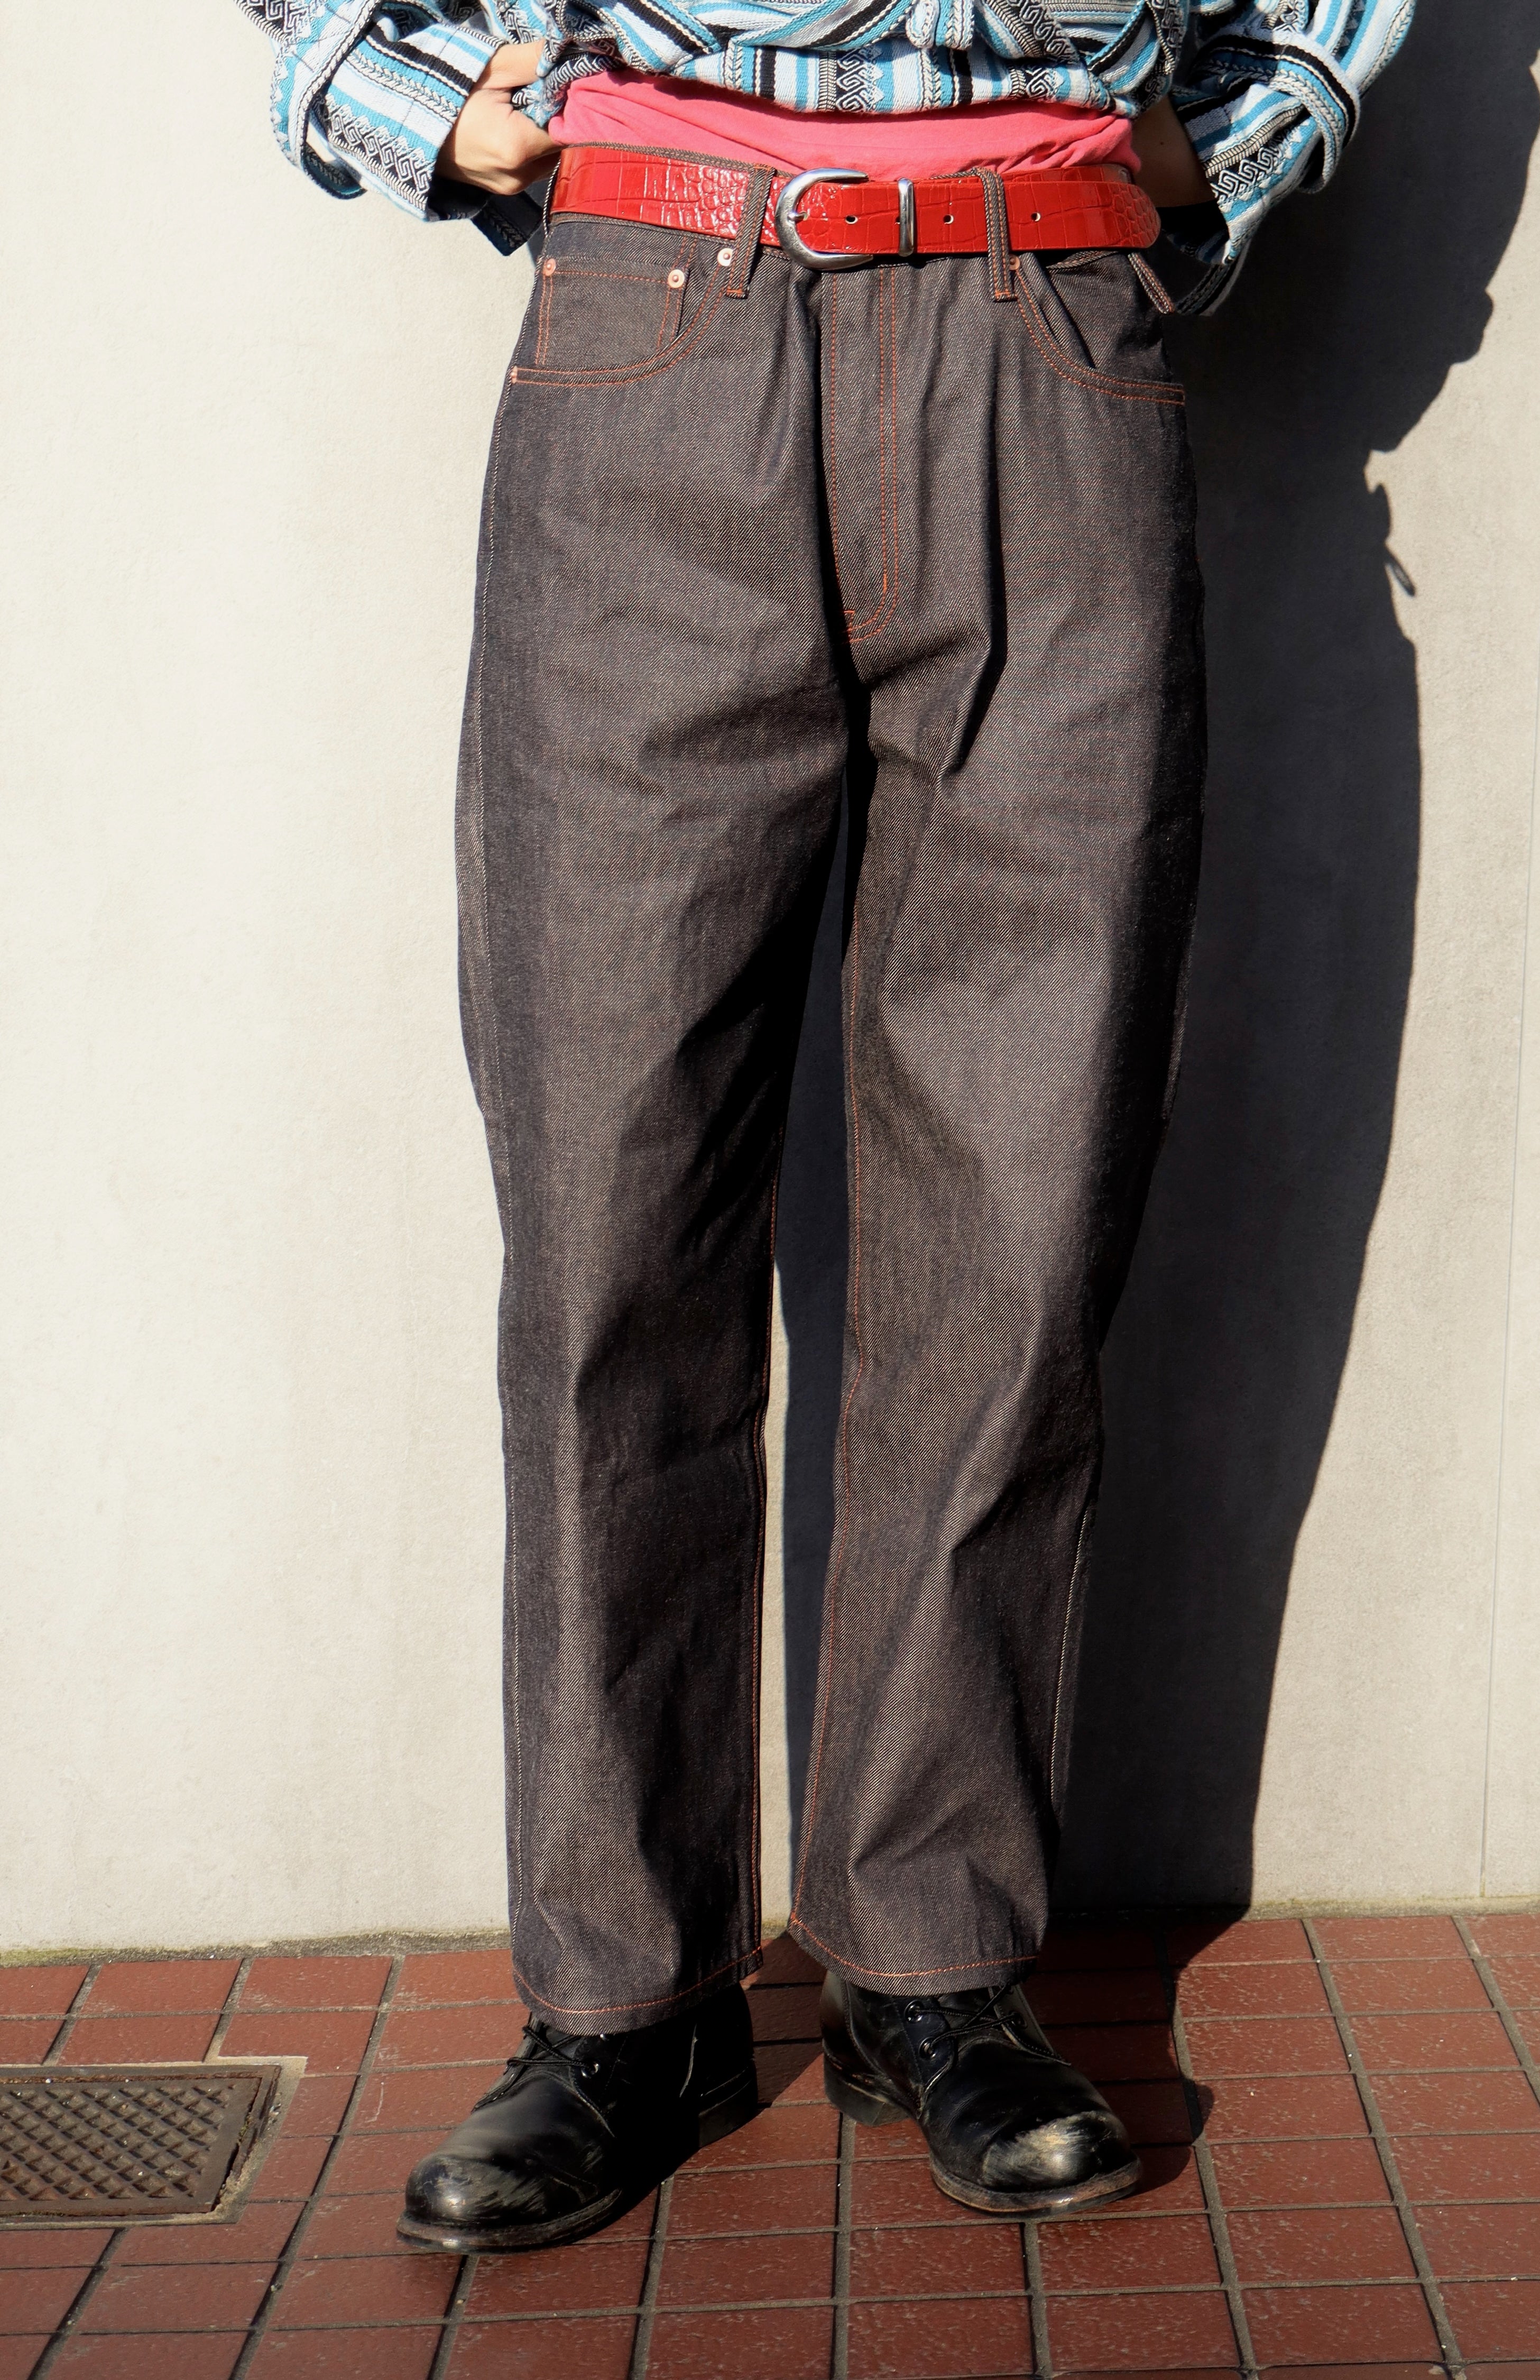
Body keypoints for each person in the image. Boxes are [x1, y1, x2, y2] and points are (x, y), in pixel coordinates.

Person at [238, 0, 1416, 2253]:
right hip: (652, 327)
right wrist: (420, 107)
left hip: (1050, 325)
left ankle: (928, 1960)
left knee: (1019, 1216)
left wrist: (1235, 138)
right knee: (612, 1220)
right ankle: (626, 1997)